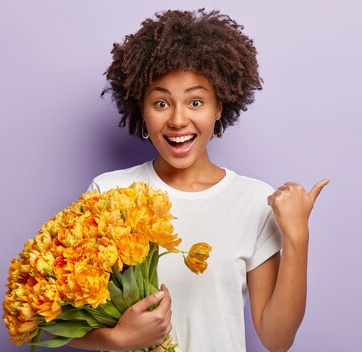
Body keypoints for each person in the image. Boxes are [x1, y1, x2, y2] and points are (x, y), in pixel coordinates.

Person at [67, 9, 329, 352]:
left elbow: (277, 339)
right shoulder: (109, 193)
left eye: (195, 101)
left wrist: (297, 236)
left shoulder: (253, 200)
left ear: (218, 107)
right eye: (161, 102)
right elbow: (57, 321)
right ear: (141, 110)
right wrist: (120, 339)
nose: (178, 119)